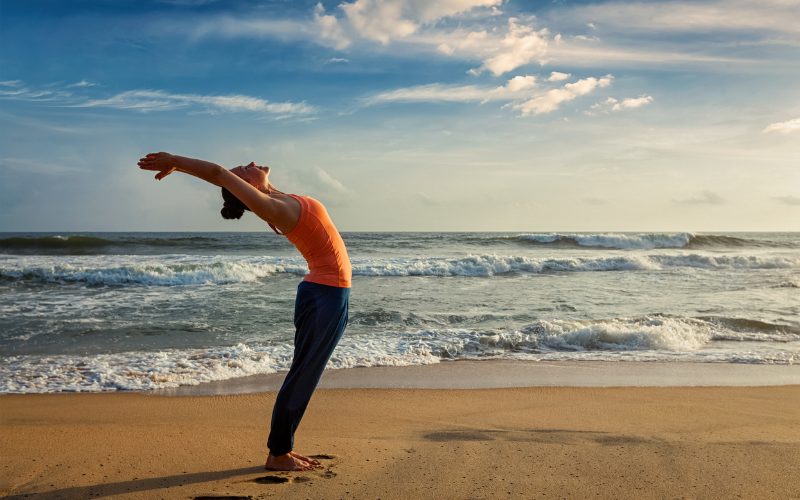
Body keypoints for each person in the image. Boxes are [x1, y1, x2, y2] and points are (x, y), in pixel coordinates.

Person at [137, 152, 352, 472]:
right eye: (243, 169)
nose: (249, 163)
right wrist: (175, 162)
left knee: (305, 372)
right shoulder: (275, 208)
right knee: (304, 374)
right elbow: (218, 173)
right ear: (244, 184)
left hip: (329, 293)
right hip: (325, 295)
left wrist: (253, 183)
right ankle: (279, 453)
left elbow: (234, 180)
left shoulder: (277, 200)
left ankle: (282, 448)